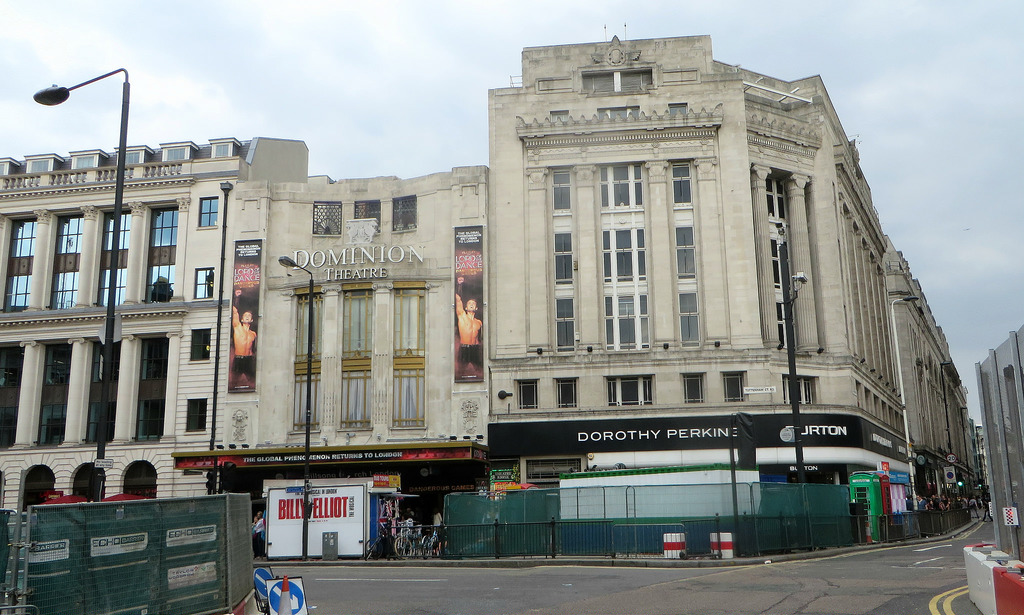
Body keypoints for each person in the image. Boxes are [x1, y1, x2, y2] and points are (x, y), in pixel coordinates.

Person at [455, 276, 482, 370]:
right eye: (469, 303)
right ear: (466, 308)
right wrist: (459, 285)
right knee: (461, 373)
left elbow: (479, 338)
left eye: (473, 304)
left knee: (479, 371)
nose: (471, 304)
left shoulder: (479, 322)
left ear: (476, 308)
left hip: (475, 349)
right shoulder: (462, 316)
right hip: (464, 349)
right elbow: (458, 300)